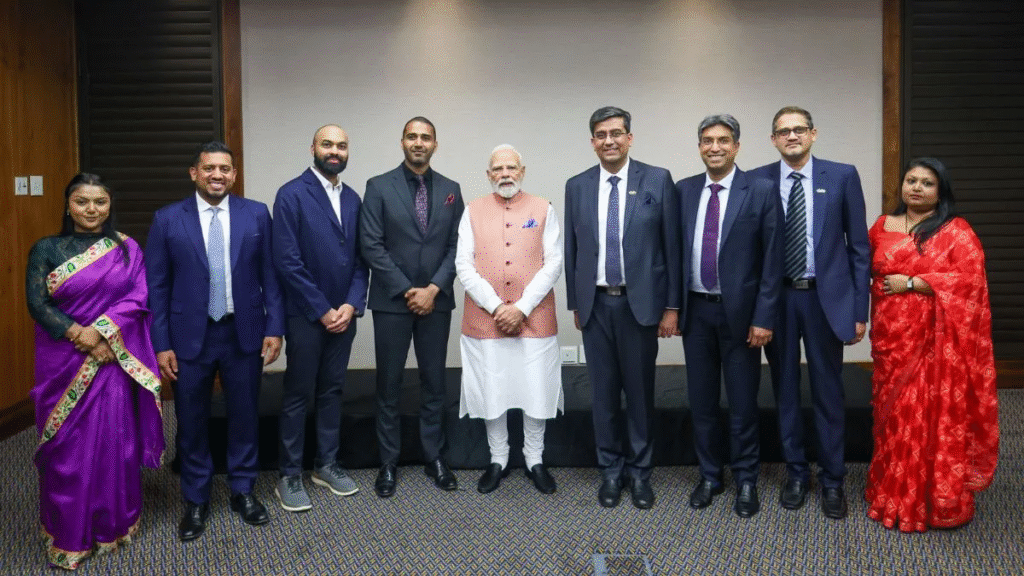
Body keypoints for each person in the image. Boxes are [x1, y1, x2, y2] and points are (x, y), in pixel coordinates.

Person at [147, 142, 284, 539]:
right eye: (209, 168)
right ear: (194, 173)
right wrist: (161, 343)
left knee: (244, 415)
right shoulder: (167, 219)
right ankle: (196, 498)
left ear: (234, 175)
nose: (217, 175)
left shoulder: (256, 213)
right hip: (189, 337)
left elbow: (271, 275)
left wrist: (274, 327)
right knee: (191, 420)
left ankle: (243, 490)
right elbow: (157, 286)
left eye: (225, 168)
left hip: (243, 332)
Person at [26, 173, 164, 570]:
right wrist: (80, 334)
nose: (91, 209)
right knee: (66, 449)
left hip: (112, 360)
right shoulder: (47, 248)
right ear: (68, 205)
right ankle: (68, 532)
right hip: (63, 360)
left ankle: (111, 525)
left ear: (109, 205)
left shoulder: (126, 249)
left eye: (100, 202)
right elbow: (37, 303)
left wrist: (104, 334)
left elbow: (139, 296)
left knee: (112, 444)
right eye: (82, 201)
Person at [747, 106, 870, 519]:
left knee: (828, 392)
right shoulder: (757, 180)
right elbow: (749, 250)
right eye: (783, 131)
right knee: (784, 390)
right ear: (773, 139)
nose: (792, 136)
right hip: (777, 300)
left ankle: (833, 479)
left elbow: (859, 249)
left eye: (799, 129)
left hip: (825, 300)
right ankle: (797, 474)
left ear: (813, 134)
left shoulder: (842, 176)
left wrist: (859, 309)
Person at [866, 157, 998, 532]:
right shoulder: (882, 226)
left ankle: (928, 498)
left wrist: (912, 283)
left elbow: (970, 282)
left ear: (940, 192)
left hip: (934, 343)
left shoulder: (956, 232)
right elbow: (863, 269)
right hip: (891, 336)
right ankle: (890, 490)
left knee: (926, 413)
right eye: (911, 180)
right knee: (892, 414)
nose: (917, 188)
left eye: (927, 183)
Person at [564, 106, 680, 510]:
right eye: (601, 134)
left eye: (616, 133)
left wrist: (672, 306)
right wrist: (576, 303)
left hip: (640, 306)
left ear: (629, 138)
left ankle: (640, 473)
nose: (609, 140)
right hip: (596, 306)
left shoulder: (657, 179)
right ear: (592, 142)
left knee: (640, 394)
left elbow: (671, 247)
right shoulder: (577, 185)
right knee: (603, 395)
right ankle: (611, 471)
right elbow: (572, 249)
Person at [677, 114, 782, 518]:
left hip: (742, 317)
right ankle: (709, 476)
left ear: (737, 146)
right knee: (702, 403)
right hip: (697, 313)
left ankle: (746, 479)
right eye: (707, 140)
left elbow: (772, 260)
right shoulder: (684, 190)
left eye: (723, 140)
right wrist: (673, 309)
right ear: (699, 147)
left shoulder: (761, 190)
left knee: (742, 404)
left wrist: (764, 317)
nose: (715, 147)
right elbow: (673, 251)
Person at [360, 116, 465, 497]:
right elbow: (371, 244)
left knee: (434, 382)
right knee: (388, 384)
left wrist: (433, 289)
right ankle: (388, 462)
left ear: (435, 144)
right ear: (402, 142)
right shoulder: (378, 186)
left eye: (426, 137)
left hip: (437, 302)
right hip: (392, 302)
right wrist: (409, 290)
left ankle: (434, 457)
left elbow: (458, 245)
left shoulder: (451, 189)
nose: (419, 142)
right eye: (412, 136)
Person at [456, 145, 564, 494]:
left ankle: (534, 458)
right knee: (492, 390)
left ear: (522, 171)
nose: (505, 174)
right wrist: (495, 306)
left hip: (534, 318)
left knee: (536, 389)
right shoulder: (472, 210)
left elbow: (554, 262)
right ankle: (498, 458)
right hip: (485, 320)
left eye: (511, 167)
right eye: (498, 169)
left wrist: (521, 307)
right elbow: (463, 265)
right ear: (489, 175)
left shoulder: (543, 208)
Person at [272, 125, 369, 511]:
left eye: (341, 146)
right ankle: (289, 474)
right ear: (313, 147)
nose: (334, 151)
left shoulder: (354, 198)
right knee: (298, 394)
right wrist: (323, 309)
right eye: (327, 144)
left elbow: (361, 260)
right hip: (306, 316)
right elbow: (287, 261)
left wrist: (351, 304)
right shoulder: (291, 194)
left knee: (332, 390)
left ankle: (326, 465)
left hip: (344, 316)